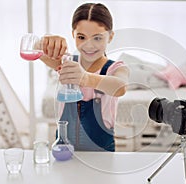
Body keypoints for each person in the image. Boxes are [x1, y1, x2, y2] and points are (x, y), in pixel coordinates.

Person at [39, 3, 129, 152]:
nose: (89, 45)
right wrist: (45, 41)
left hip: (101, 155)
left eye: (97, 38)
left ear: (110, 36)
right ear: (73, 34)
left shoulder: (115, 68)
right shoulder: (66, 63)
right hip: (64, 152)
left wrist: (85, 78)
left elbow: (120, 87)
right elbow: (37, 51)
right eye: (81, 37)